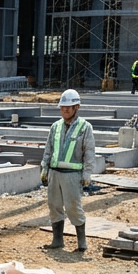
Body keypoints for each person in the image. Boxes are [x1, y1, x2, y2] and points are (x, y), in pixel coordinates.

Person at [40, 89, 96, 252]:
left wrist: (87, 173)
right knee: (54, 206)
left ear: (77, 107)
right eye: (63, 107)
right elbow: (48, 149)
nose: (65, 110)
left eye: (68, 107)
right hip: (54, 173)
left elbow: (89, 152)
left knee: (73, 207)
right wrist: (44, 168)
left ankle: (81, 241)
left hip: (72, 175)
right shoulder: (55, 127)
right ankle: (57, 240)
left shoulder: (85, 127)